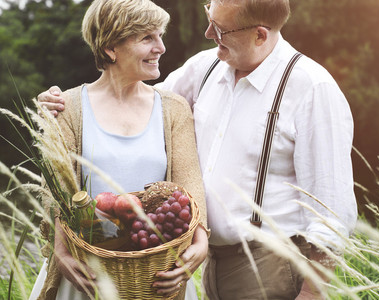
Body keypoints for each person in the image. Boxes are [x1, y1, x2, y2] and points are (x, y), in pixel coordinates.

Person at [39, 0, 357, 298]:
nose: (208, 34)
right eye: (210, 19)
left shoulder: (312, 88)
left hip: (269, 266)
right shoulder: (206, 68)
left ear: (259, 35)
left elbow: (332, 212)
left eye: (220, 29)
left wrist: (313, 292)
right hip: (203, 265)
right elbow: (132, 102)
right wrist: (60, 104)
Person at [29, 0, 209, 299]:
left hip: (156, 276)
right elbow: (56, 192)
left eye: (160, 36)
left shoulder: (173, 109)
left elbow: (190, 183)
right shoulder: (68, 108)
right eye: (147, 38)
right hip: (87, 276)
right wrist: (61, 253)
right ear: (111, 47)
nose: (161, 47)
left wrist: (200, 241)